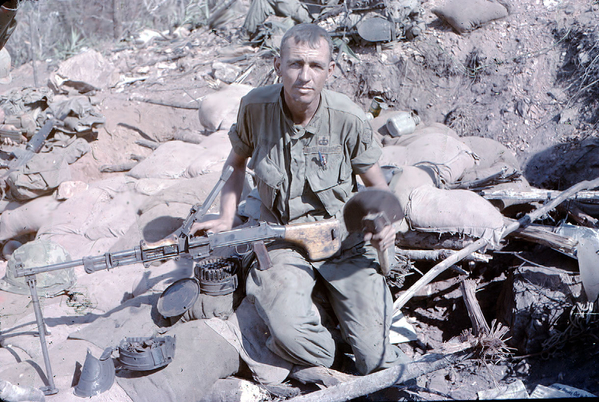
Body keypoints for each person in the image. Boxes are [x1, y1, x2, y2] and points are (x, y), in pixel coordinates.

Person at [192, 23, 407, 375]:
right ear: (278, 65)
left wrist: (385, 227)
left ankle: (355, 339)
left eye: (316, 66)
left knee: (377, 360)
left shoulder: (347, 118)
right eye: (294, 64)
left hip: (342, 242)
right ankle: (332, 353)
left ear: (330, 71)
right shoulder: (255, 108)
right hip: (281, 239)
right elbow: (235, 164)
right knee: (290, 333)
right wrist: (226, 215)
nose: (304, 76)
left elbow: (378, 191)